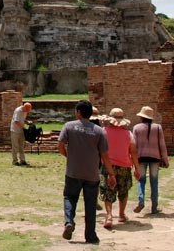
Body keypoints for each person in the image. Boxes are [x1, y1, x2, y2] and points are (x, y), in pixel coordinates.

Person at [58, 100, 117, 245]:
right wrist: (111, 174)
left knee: (70, 197)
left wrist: (69, 156)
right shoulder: (99, 131)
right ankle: (90, 236)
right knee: (90, 205)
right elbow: (105, 155)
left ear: (78, 112)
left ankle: (69, 222)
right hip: (92, 173)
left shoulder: (69, 126)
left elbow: (60, 145)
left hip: (73, 171)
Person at [99, 108, 141, 229]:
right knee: (123, 190)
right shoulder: (128, 134)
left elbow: (100, 150)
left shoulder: (104, 132)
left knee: (107, 191)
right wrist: (137, 169)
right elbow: (133, 152)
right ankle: (121, 214)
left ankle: (109, 215)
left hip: (108, 166)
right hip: (124, 166)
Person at [132, 106, 169, 215]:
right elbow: (162, 145)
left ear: (142, 117)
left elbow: (134, 145)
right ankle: (154, 207)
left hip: (141, 157)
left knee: (141, 180)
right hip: (155, 158)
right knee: (154, 182)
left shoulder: (136, 128)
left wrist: (133, 160)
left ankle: (141, 200)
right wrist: (165, 159)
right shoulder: (158, 128)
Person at [10, 101, 32, 166]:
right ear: (24, 107)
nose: (26, 112)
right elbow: (16, 121)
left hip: (21, 131)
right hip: (15, 131)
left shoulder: (24, 111)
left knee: (21, 147)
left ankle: (22, 160)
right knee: (15, 146)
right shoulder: (18, 111)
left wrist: (27, 122)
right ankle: (15, 161)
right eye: (27, 110)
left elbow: (22, 120)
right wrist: (24, 128)